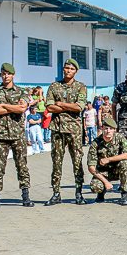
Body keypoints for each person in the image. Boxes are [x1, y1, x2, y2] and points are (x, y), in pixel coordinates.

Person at [0, 63, 33, 210]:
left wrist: (4, 105)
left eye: (8, 73)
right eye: (3, 73)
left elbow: (22, 108)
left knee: (22, 166)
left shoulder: (21, 91)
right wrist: (13, 107)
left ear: (13, 75)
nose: (6, 76)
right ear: (0, 75)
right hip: (0, 135)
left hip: (17, 135)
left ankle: (25, 197)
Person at [45, 58, 88, 206]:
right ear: (63, 69)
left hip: (74, 130)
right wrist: (69, 106)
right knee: (56, 162)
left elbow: (79, 107)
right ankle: (56, 193)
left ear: (76, 71)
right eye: (66, 68)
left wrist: (61, 104)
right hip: (57, 128)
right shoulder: (54, 86)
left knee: (77, 161)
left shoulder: (81, 87)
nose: (68, 71)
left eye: (71, 69)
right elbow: (49, 107)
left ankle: (79, 193)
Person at [87, 118, 127, 205]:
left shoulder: (120, 138)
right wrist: (106, 182)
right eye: (106, 128)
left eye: (111, 129)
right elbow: (91, 167)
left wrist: (109, 159)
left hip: (117, 170)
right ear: (102, 129)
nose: (108, 131)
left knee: (125, 164)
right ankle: (100, 194)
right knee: (95, 186)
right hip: (103, 172)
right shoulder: (96, 143)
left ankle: (124, 194)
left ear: (114, 130)